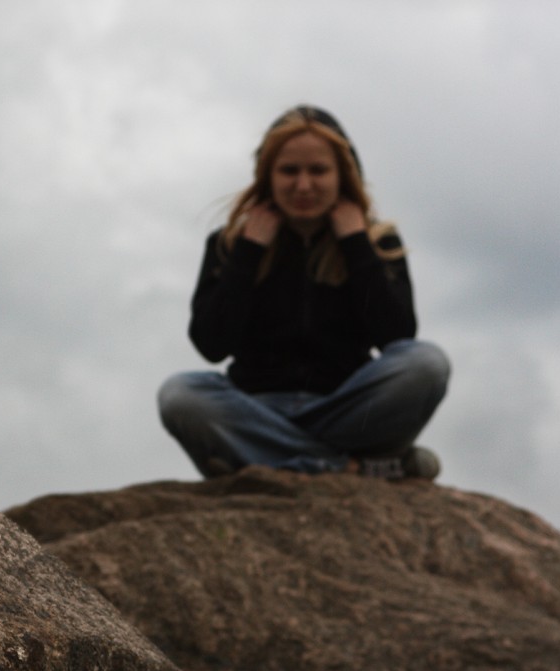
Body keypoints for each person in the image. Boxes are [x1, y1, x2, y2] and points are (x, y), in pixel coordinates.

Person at [158, 105, 449, 480]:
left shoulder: (378, 243)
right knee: (179, 395)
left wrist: (355, 244)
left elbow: (396, 336)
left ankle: (267, 459)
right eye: (289, 171)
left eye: (318, 171)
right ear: (267, 175)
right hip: (256, 410)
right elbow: (212, 344)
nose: (304, 185)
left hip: (345, 411)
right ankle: (347, 467)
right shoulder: (229, 244)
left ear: (343, 175)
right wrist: (250, 252)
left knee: (427, 363)